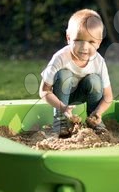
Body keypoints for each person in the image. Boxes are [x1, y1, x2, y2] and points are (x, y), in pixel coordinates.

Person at [39, 9, 113, 137]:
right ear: (68, 38)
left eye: (91, 42)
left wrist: (99, 112)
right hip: (61, 97)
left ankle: (94, 122)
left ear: (99, 42)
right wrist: (62, 107)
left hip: (84, 94)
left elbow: (108, 96)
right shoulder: (60, 58)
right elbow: (44, 91)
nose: (84, 47)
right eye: (78, 40)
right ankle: (61, 123)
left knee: (95, 80)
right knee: (64, 75)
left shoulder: (99, 62)